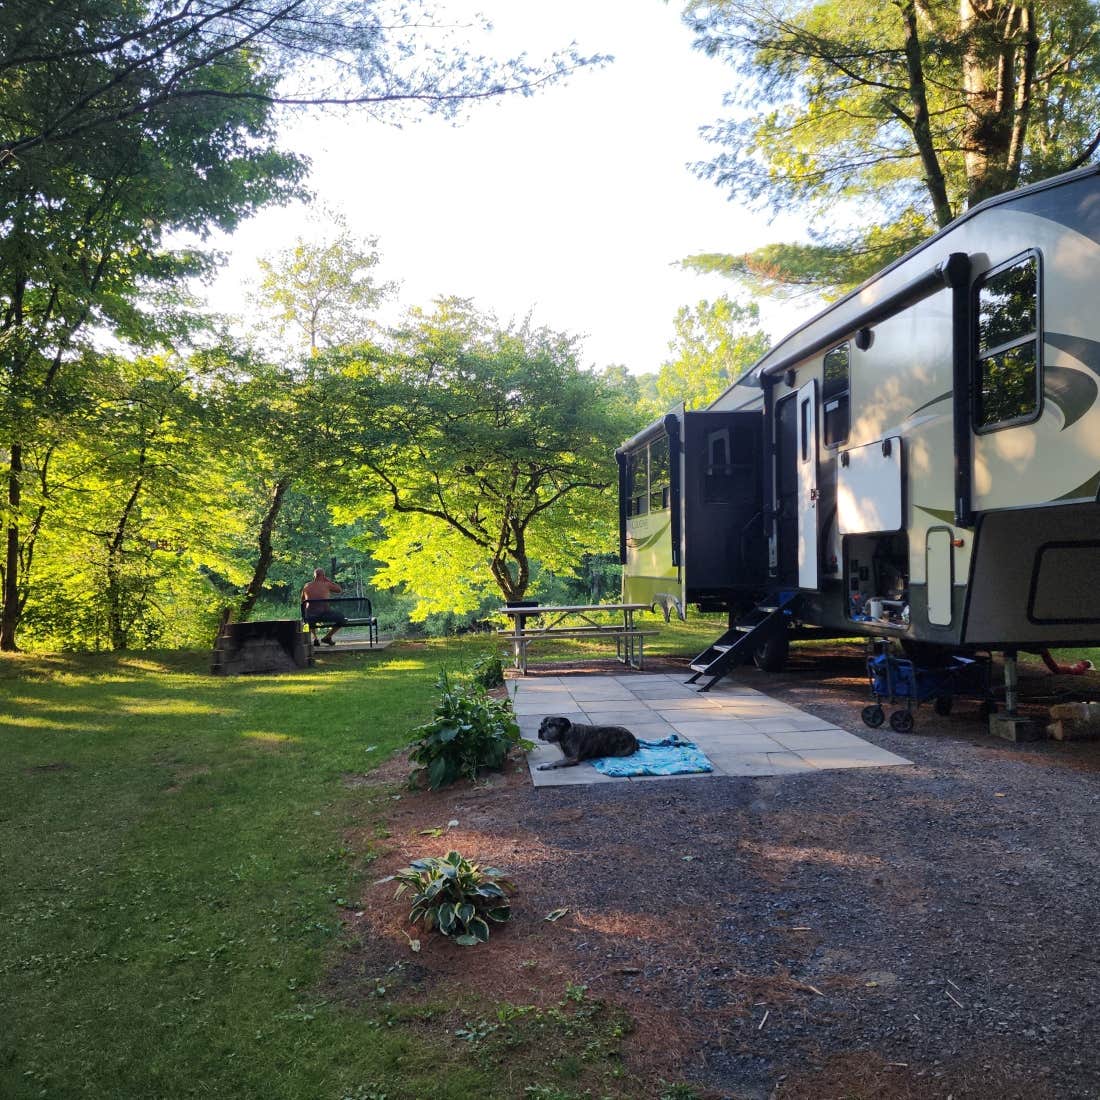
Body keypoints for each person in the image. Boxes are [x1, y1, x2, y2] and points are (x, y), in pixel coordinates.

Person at [300, 567, 347, 646]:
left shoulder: (306, 586)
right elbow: (339, 590)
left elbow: (302, 601)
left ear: (314, 576)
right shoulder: (327, 584)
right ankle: (327, 637)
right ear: (323, 576)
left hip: (310, 615)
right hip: (324, 614)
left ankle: (315, 638)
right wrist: (329, 581)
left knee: (306, 621)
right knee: (343, 619)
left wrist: (306, 613)